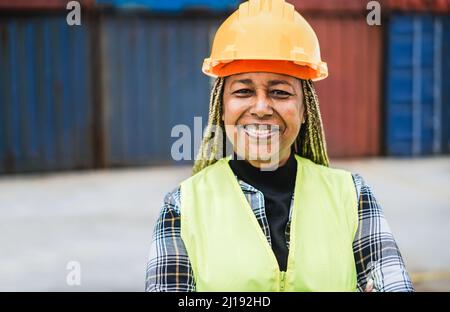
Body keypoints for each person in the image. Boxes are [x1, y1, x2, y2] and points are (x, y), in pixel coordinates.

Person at [145, 0, 414, 292]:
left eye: (280, 92)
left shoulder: (352, 196)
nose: (261, 107)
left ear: (304, 109)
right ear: (221, 107)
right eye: (244, 91)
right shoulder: (182, 207)